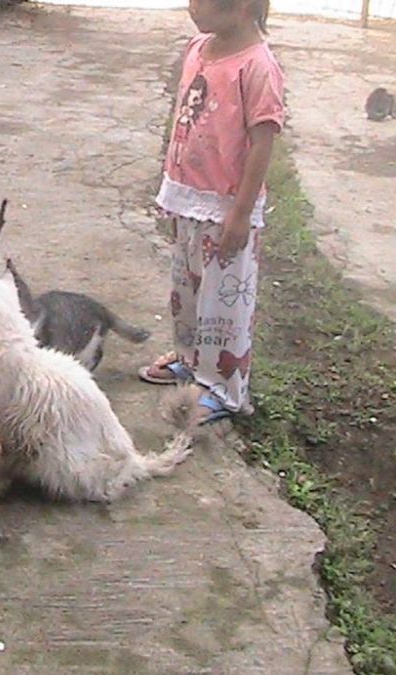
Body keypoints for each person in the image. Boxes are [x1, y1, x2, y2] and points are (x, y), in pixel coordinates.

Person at [138, 0, 284, 425]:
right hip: (188, 199)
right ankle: (190, 360)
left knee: (224, 303)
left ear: (240, 6)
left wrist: (240, 214)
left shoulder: (258, 66)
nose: (190, 6)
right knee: (187, 292)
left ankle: (223, 386)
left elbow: (262, 142)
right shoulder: (197, 47)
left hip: (225, 209)